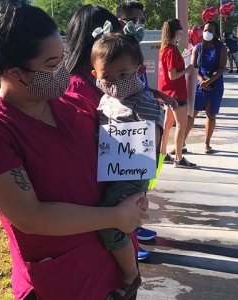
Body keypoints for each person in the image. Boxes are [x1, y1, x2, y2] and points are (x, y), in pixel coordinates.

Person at [0, 1, 149, 299]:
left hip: (116, 269)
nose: (63, 70)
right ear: (16, 72)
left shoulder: (75, 101)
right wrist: (116, 217)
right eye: (52, 65)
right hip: (64, 283)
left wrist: (135, 195)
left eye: (63, 59)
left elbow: (119, 160)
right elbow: (31, 217)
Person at [90, 22, 164, 299]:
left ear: (139, 71)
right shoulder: (105, 98)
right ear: (95, 74)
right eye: (107, 75)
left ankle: (131, 274)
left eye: (124, 74)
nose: (115, 82)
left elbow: (150, 140)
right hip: (110, 168)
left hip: (131, 172)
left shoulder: (143, 100)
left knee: (112, 225)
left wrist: (141, 185)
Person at [116, 1, 178, 250]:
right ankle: (129, 241)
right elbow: (115, 89)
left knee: (141, 186)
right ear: (121, 21)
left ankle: (135, 229)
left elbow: (138, 85)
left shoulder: (133, 48)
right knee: (126, 189)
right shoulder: (114, 51)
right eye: (135, 19)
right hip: (125, 133)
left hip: (143, 129)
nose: (139, 24)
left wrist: (159, 95)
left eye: (142, 20)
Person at [184, 21, 227, 154]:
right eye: (206, 29)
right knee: (191, 115)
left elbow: (221, 68)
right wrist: (201, 80)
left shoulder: (222, 48)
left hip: (215, 84)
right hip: (198, 84)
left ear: (215, 33)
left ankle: (207, 143)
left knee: (211, 115)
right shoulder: (197, 47)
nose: (207, 32)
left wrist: (209, 81)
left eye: (211, 30)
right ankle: (181, 141)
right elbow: (193, 67)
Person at [158, 18, 196, 168]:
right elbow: (173, 75)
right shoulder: (173, 50)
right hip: (177, 93)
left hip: (167, 93)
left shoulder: (165, 49)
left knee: (167, 124)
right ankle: (179, 158)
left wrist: (181, 59)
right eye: (180, 29)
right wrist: (188, 69)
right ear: (176, 31)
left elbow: (169, 70)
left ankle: (163, 152)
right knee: (181, 125)